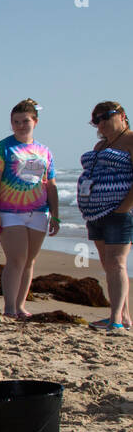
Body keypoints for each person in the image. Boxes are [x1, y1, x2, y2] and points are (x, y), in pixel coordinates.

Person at [0, 98, 60, 319]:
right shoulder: (1, 149)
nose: (20, 125)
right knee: (16, 259)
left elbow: (51, 185)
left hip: (39, 212)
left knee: (29, 261)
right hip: (9, 214)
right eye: (15, 121)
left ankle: (20, 306)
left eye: (25, 121)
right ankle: (9, 308)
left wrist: (56, 215)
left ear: (34, 121)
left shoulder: (44, 151)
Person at [77, 101, 133, 333]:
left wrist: (123, 207)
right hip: (96, 213)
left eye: (105, 117)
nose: (101, 123)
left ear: (121, 115)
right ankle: (124, 317)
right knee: (108, 265)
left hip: (118, 213)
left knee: (117, 263)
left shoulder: (130, 140)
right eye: (96, 120)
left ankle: (116, 320)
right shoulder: (101, 144)